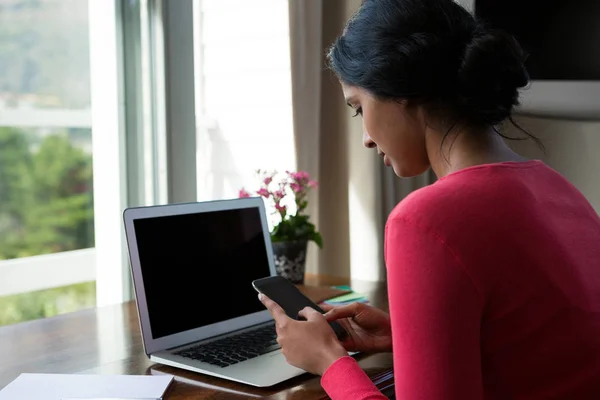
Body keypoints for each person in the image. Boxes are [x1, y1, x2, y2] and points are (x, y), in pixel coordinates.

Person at [259, 0, 600, 398]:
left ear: (400, 91)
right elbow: (534, 350)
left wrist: (328, 362)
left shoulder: (425, 220)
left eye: (358, 108)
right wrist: (411, 339)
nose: (366, 138)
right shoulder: (557, 187)